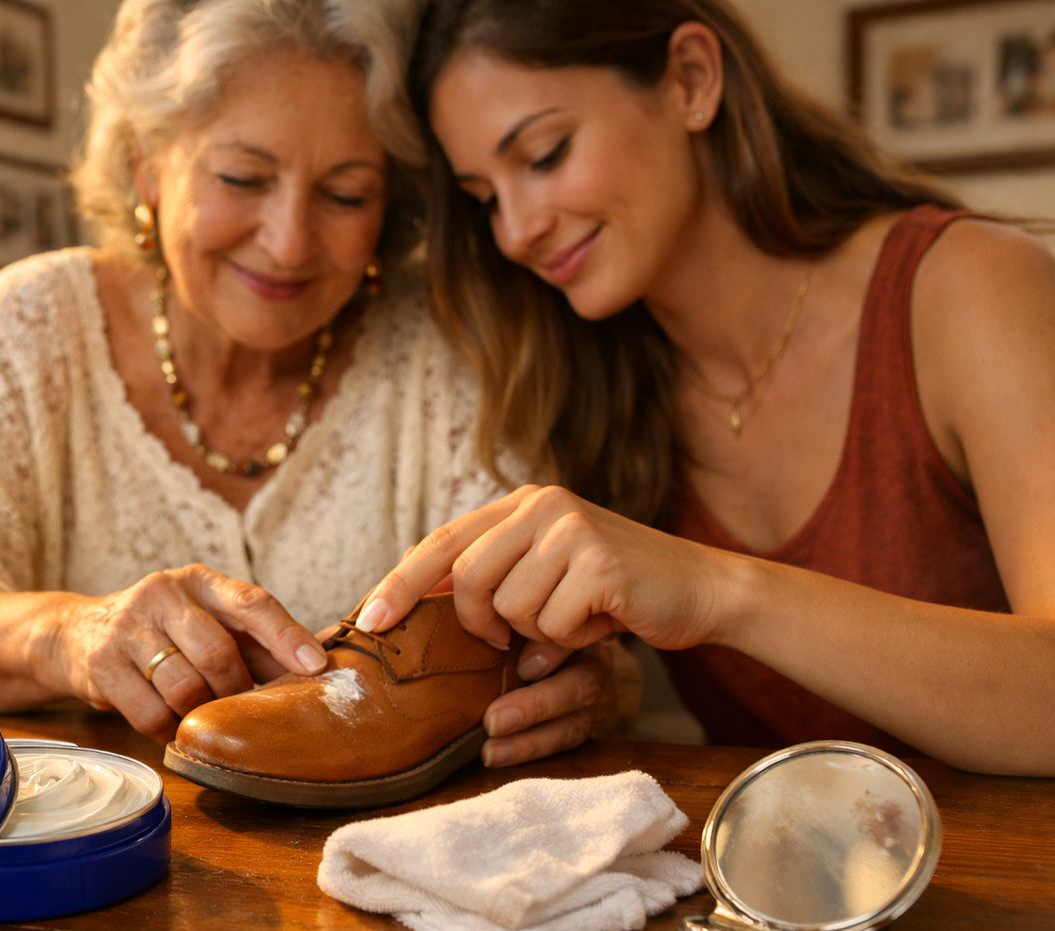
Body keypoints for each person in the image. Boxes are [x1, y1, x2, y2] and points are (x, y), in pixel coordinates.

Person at [0, 0, 621, 754]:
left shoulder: (442, 343)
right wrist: (71, 634)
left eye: (345, 193)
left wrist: (576, 679)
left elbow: (550, 624)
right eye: (242, 178)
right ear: (148, 167)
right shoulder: (36, 322)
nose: (290, 241)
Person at [357, 0, 1055, 775]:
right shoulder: (591, 385)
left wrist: (716, 593)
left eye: (546, 154)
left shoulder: (969, 287)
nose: (516, 230)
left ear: (692, 79)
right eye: (484, 198)